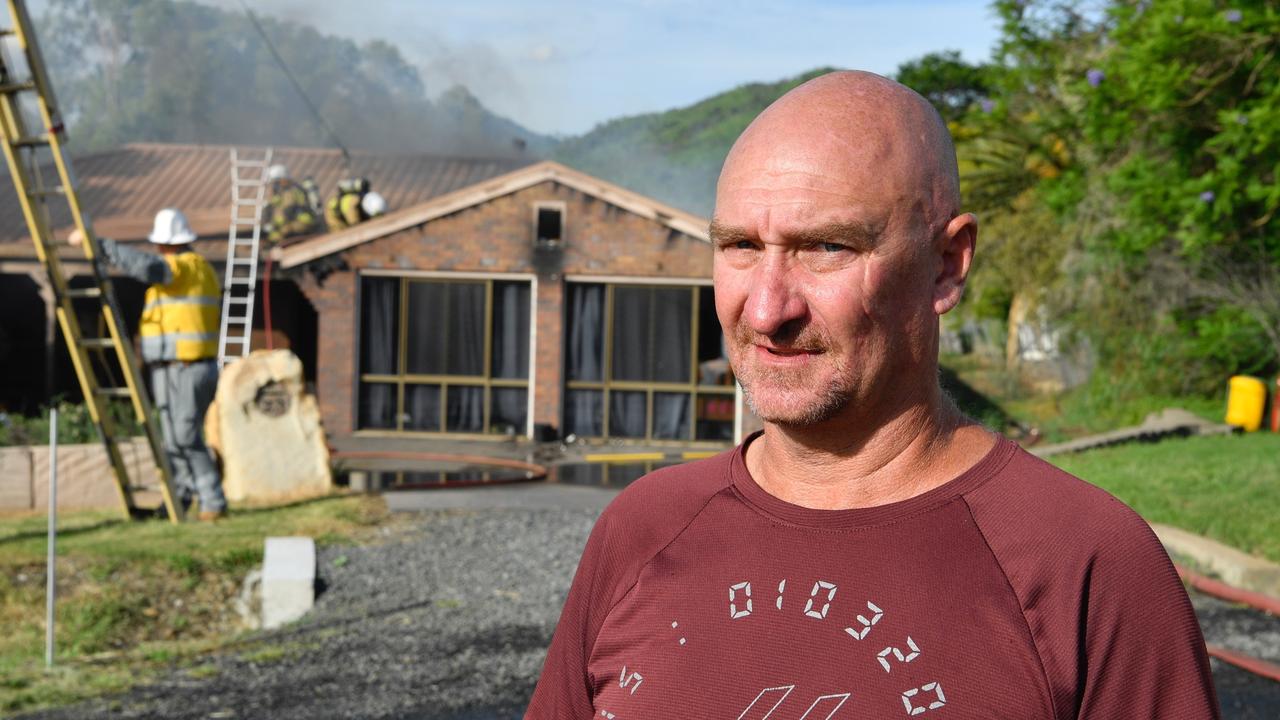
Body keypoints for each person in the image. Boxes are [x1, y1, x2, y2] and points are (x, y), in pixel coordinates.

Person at [527, 71, 1219, 718]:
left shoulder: (1087, 563)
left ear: (946, 265)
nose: (766, 310)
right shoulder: (642, 527)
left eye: (827, 247)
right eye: (739, 245)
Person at [70, 209, 227, 521]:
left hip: (188, 366)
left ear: (166, 244)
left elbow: (145, 267)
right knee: (172, 440)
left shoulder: (186, 267)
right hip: (171, 367)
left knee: (184, 437)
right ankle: (180, 500)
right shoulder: (184, 272)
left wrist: (101, 245)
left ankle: (213, 500)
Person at [262, 164, 320, 243]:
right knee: (274, 236)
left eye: (275, 182)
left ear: (282, 180)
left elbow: (288, 212)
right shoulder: (285, 191)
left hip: (301, 222)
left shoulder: (289, 191)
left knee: (276, 236)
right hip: (297, 222)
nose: (273, 186)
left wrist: (273, 226)